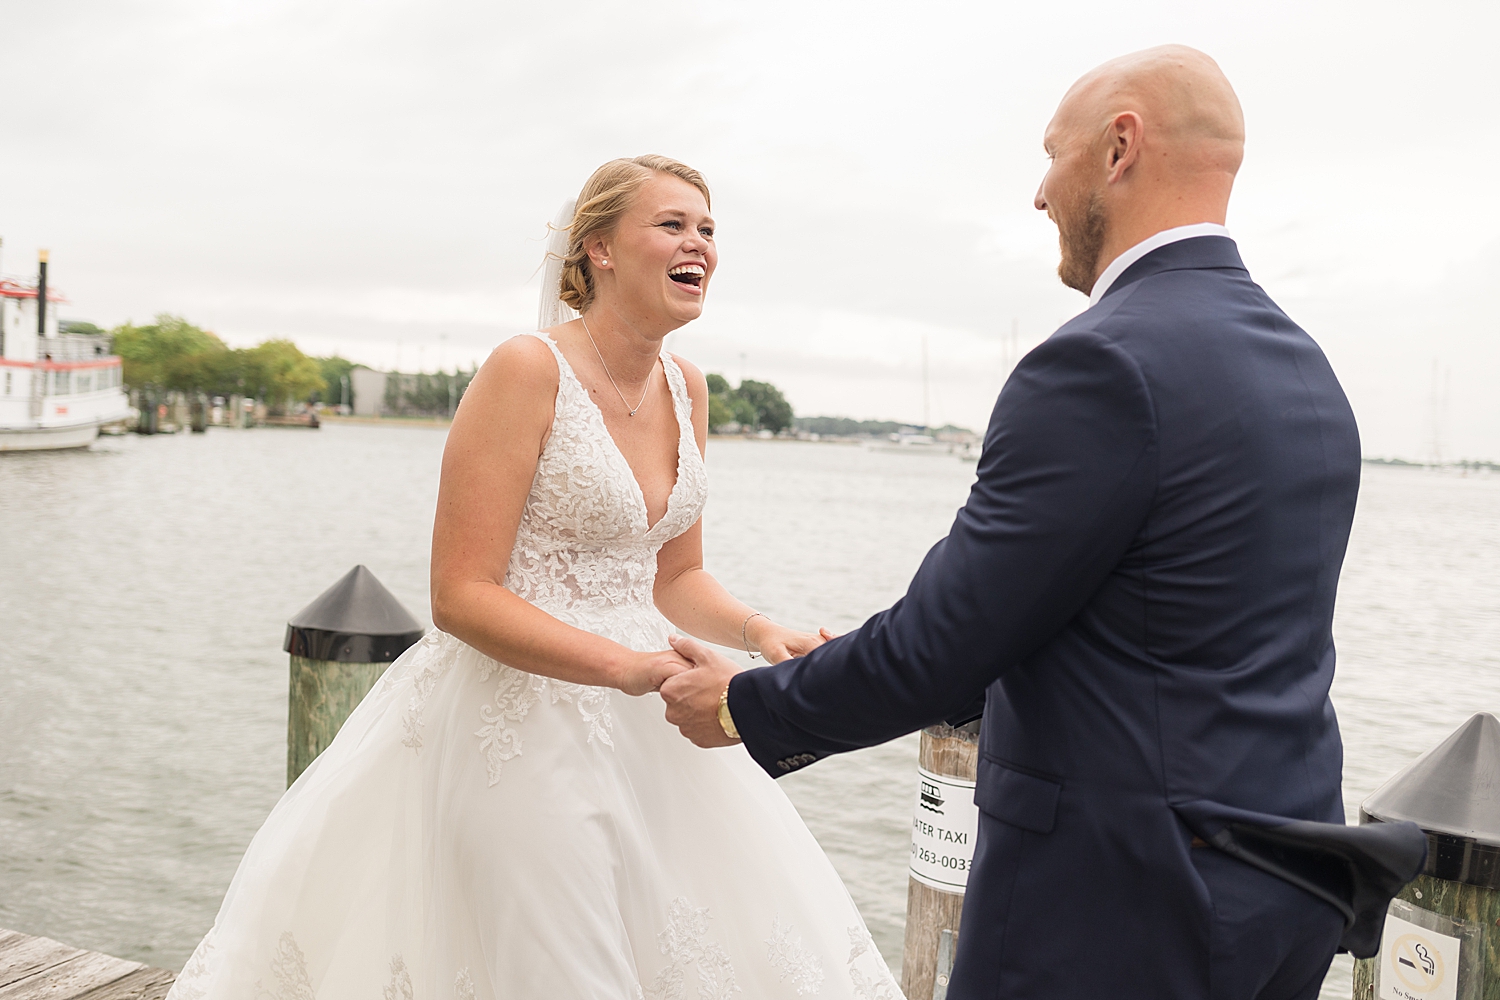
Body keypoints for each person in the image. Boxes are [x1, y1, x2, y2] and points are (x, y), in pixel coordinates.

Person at [661, 48, 1424, 1000]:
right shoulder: (1306, 369)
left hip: (1122, 906)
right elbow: (1157, 619)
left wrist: (746, 705)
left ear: (1118, 148)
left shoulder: (1099, 365)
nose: (1037, 193)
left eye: (1051, 154)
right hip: (1282, 888)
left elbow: (944, 642)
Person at [167, 155, 904, 1000]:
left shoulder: (689, 387)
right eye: (672, 224)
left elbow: (675, 575)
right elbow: (461, 595)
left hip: (657, 722)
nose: (697, 242)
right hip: (519, 713)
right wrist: (625, 667)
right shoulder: (526, 369)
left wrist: (756, 632)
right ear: (599, 249)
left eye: (707, 229)